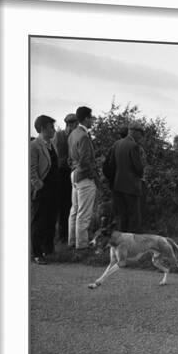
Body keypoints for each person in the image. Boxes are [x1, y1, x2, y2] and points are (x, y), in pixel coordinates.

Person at [67, 106, 99, 249]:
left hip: (74, 173)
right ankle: (82, 245)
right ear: (86, 118)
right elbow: (86, 161)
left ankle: (72, 241)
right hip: (84, 176)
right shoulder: (84, 136)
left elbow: (71, 157)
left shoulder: (73, 133)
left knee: (74, 211)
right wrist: (93, 175)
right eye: (91, 118)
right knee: (84, 213)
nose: (92, 121)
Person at [30, 115, 59, 264]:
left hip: (53, 188)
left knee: (50, 220)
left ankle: (48, 249)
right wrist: (37, 184)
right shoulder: (35, 145)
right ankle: (36, 253)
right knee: (39, 221)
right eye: (51, 127)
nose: (54, 130)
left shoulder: (50, 144)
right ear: (42, 129)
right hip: (42, 189)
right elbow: (31, 168)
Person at [109, 121, 145, 233]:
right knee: (134, 218)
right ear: (134, 132)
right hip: (131, 186)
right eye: (140, 133)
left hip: (118, 186)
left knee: (122, 217)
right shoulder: (134, 146)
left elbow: (111, 165)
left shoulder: (117, 144)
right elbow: (138, 168)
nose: (141, 136)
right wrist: (141, 174)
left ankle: (121, 244)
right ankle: (134, 246)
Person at [54, 113, 78, 243]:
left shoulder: (69, 136)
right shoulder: (60, 136)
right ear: (71, 124)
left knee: (70, 205)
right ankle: (63, 234)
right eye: (75, 124)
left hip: (69, 172)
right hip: (62, 173)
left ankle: (67, 234)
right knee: (64, 204)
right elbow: (58, 156)